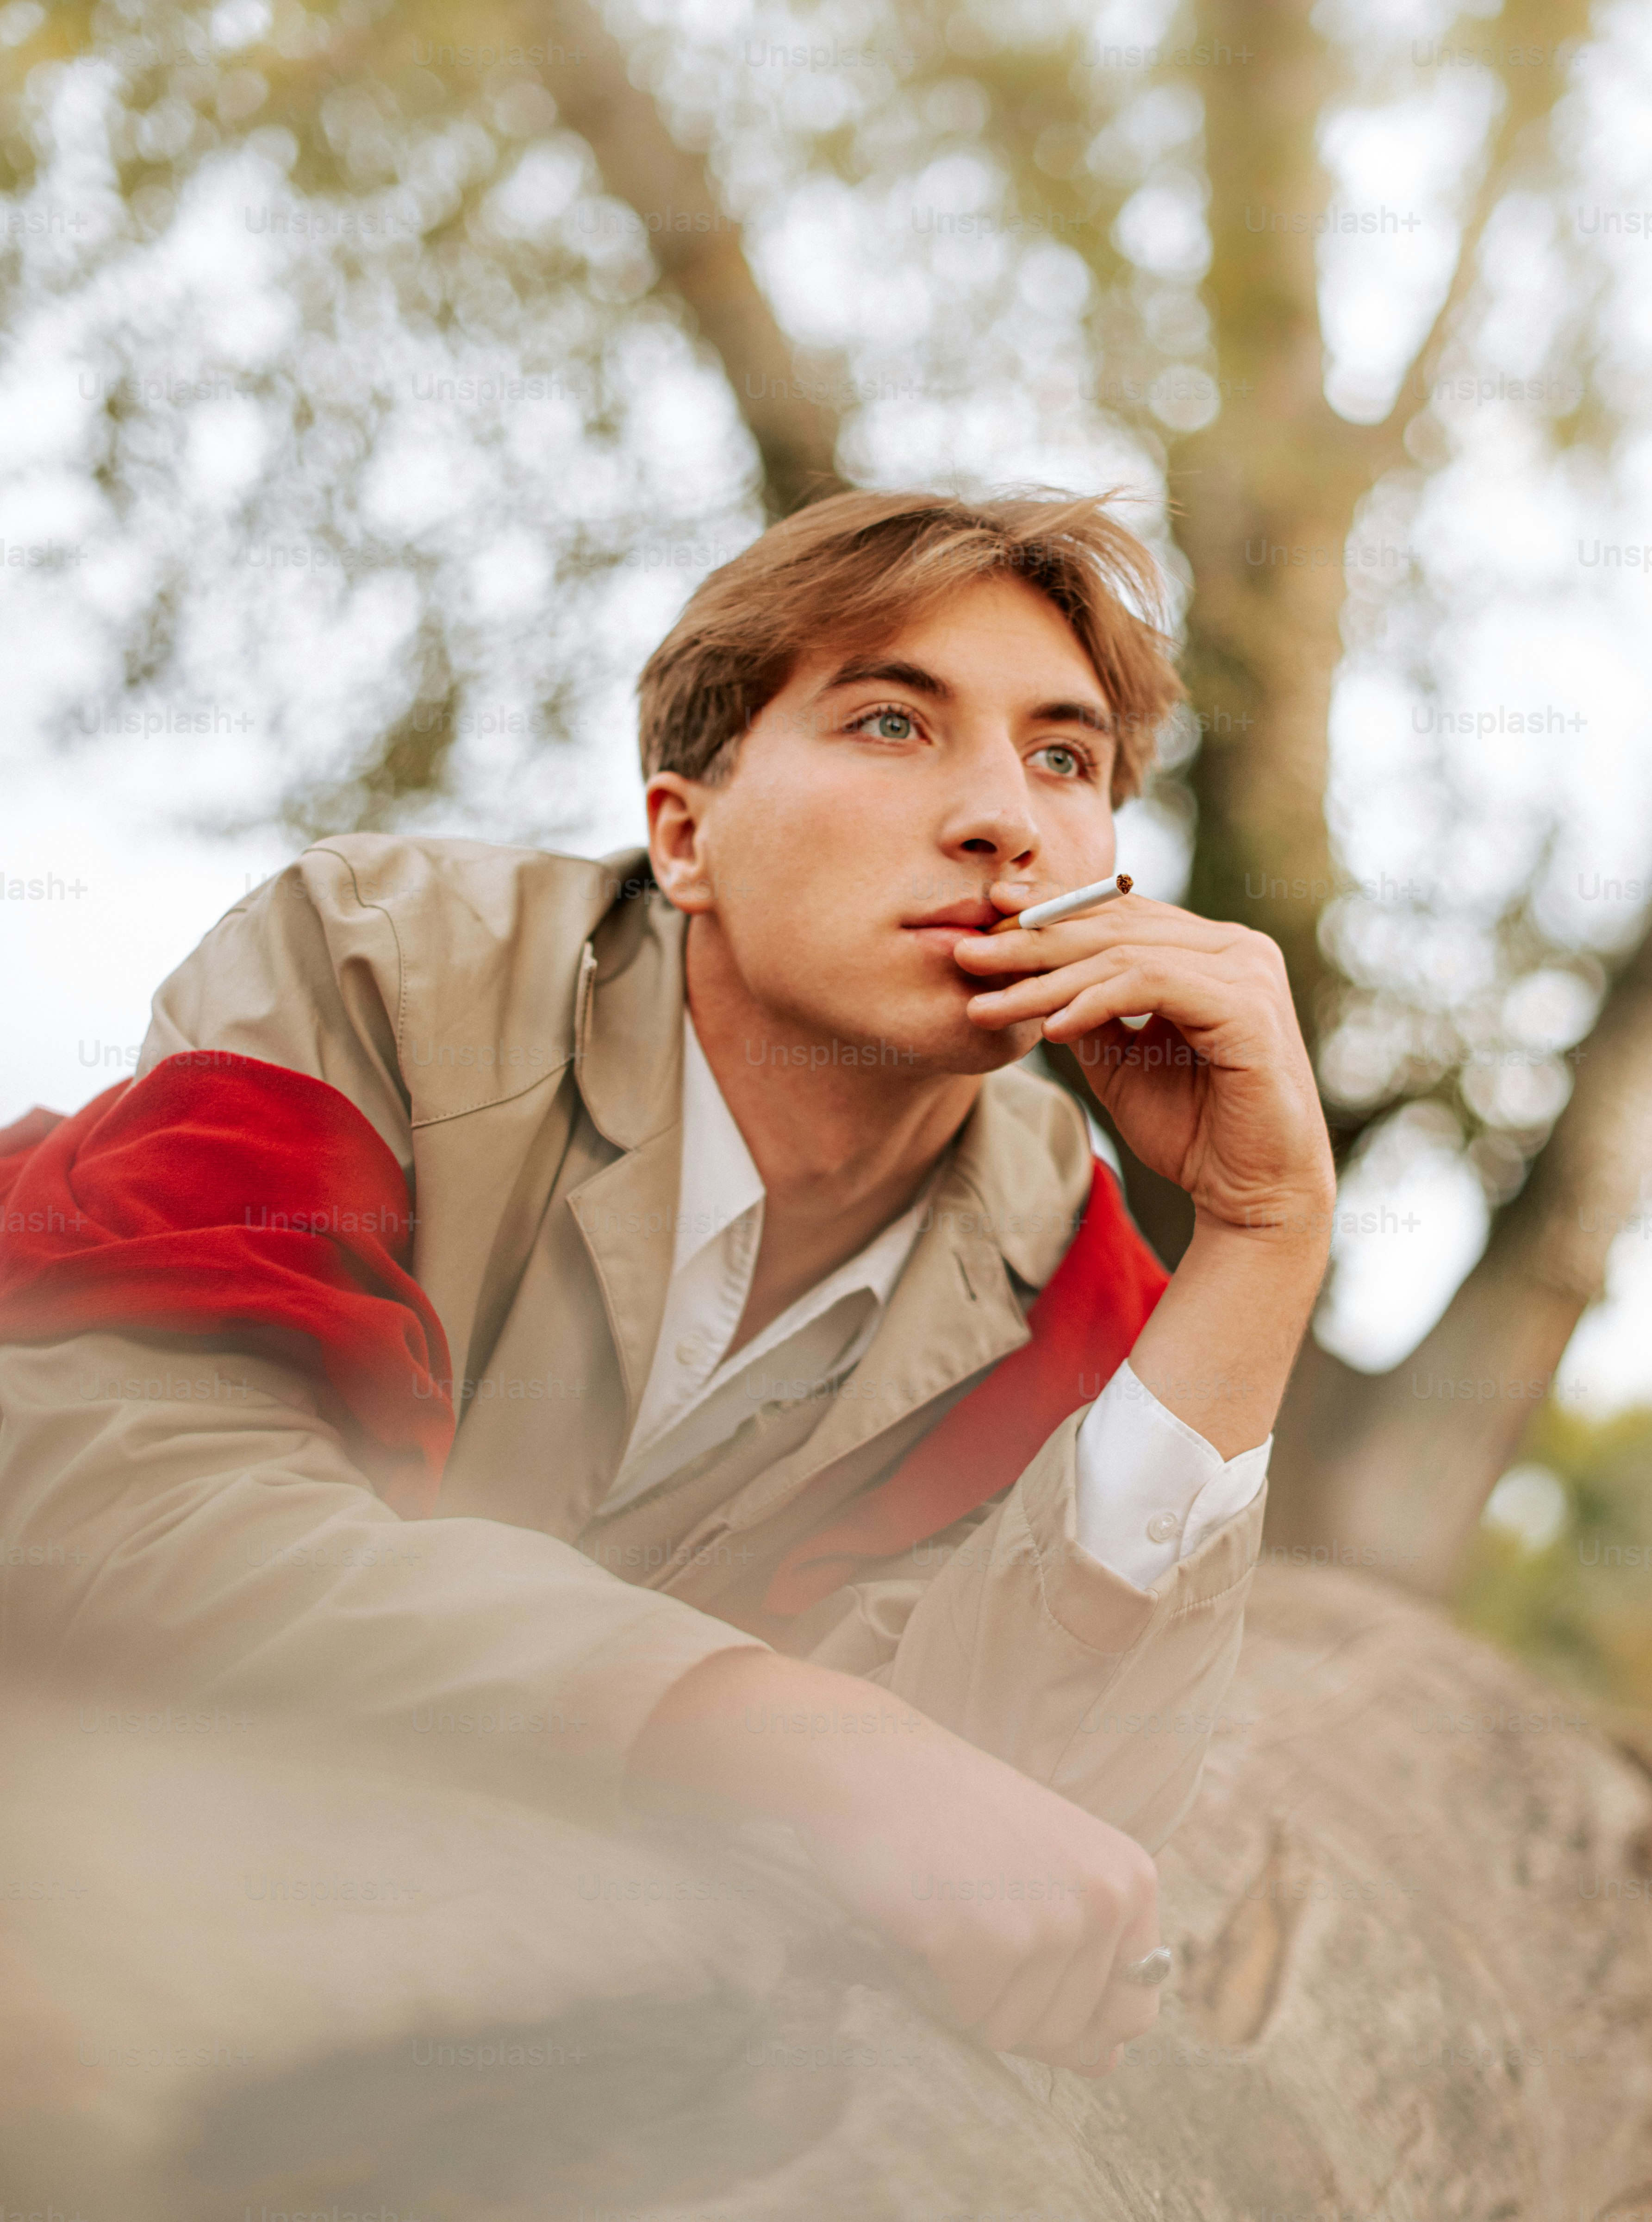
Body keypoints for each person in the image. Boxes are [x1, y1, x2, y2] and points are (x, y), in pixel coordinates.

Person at [0, 488, 1334, 2081]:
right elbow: (116, 1503)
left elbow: (1026, 1850)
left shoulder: (1072, 1278)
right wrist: (774, 1737)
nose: (1006, 818)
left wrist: (1260, 1239)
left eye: (1066, 758)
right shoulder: (380, 966)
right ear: (684, 836)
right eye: (894, 722)